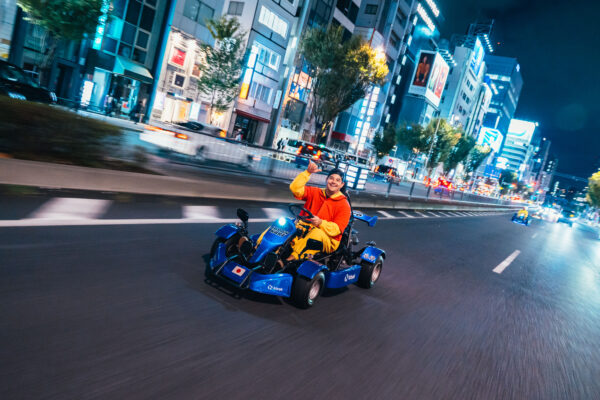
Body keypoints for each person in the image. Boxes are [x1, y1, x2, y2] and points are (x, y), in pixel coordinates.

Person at [286, 161, 351, 260]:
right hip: (305, 227)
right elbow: (295, 188)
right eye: (331, 178)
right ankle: (265, 250)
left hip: (328, 239)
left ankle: (289, 260)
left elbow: (337, 229)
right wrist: (307, 173)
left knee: (316, 233)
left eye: (338, 180)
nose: (333, 182)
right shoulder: (316, 192)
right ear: (327, 180)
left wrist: (321, 223)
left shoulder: (344, 205)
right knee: (285, 223)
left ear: (342, 185)